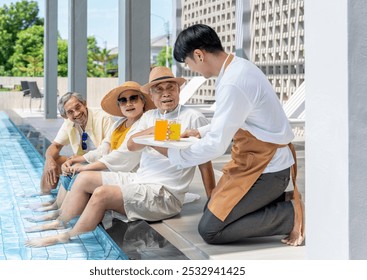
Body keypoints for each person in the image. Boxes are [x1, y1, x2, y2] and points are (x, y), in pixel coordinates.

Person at [24, 67, 215, 247]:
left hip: (164, 193)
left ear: (178, 90)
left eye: (170, 88)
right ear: (152, 95)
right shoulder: (149, 117)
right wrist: (160, 131)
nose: (165, 93)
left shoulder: (193, 117)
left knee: (102, 194)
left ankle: (67, 236)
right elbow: (132, 144)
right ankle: (60, 221)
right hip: (139, 179)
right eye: (159, 89)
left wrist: (211, 202)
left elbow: (205, 162)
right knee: (84, 178)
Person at [151, 24, 304, 246]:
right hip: (254, 162)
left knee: (211, 230)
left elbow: (215, 145)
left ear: (199, 55)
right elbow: (235, 119)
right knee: (210, 208)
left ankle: (289, 214)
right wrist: (199, 131)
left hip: (268, 170)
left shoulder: (233, 81)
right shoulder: (236, 68)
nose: (192, 69)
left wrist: (174, 156)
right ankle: (280, 200)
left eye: (188, 63)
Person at [25, 81, 156, 222]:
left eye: (134, 98)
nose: (128, 103)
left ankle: (62, 216)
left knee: (78, 174)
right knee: (62, 164)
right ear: (65, 116)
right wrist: (75, 160)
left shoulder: (132, 122)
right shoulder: (120, 124)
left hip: (118, 168)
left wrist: (84, 166)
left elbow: (118, 157)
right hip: (101, 162)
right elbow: (102, 149)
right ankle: (54, 204)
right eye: (123, 100)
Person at [39, 91, 113, 195]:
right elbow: (55, 146)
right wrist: (49, 161)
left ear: (85, 104)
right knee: (54, 159)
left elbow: (109, 153)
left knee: (67, 163)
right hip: (82, 161)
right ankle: (45, 194)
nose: (77, 113)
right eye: (70, 112)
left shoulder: (103, 118)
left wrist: (79, 161)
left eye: (78, 107)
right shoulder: (69, 123)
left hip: (103, 164)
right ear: (65, 116)